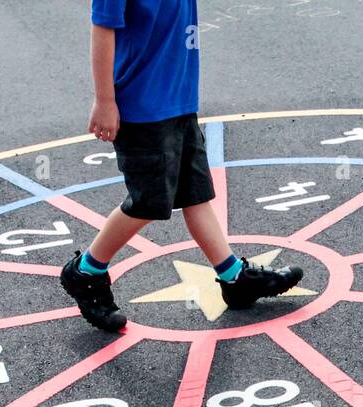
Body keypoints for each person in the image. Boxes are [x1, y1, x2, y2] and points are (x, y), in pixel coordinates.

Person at [60, 0, 303, 331]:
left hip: (179, 100)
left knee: (195, 194)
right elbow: (103, 27)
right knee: (147, 202)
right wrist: (105, 100)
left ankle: (234, 278)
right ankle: (85, 271)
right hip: (143, 107)